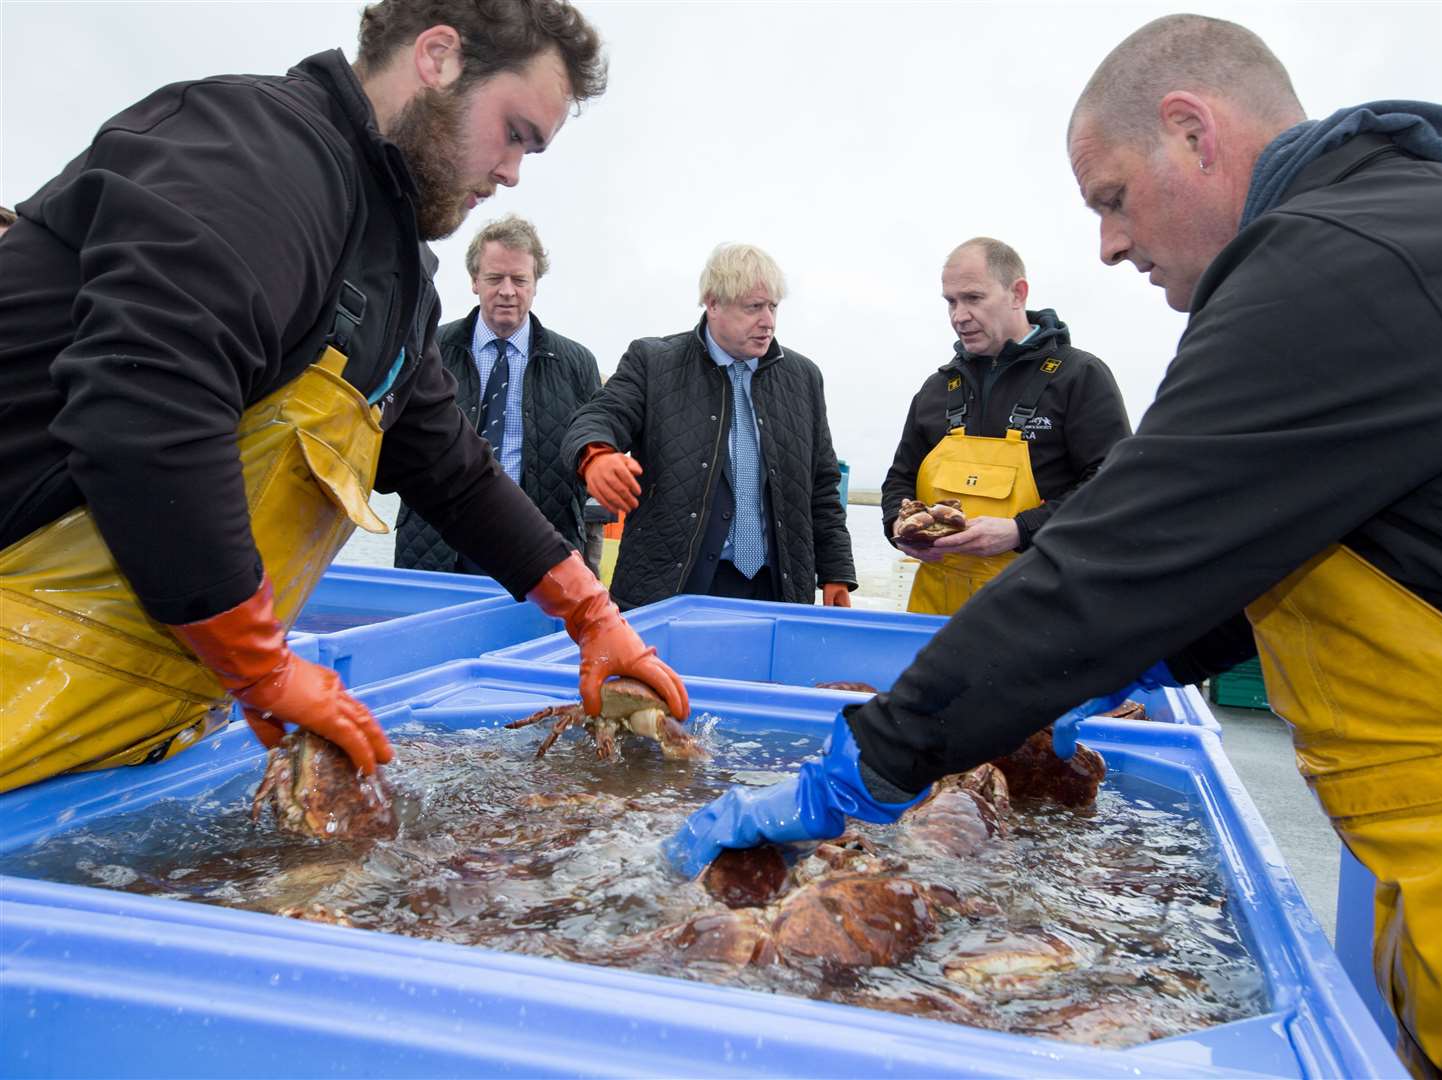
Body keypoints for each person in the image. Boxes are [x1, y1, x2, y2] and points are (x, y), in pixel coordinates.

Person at [667, 14, 1442, 1079]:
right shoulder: (1396, 238)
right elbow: (1277, 557)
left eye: (1112, 199)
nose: (1107, 245)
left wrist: (863, 764)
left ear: (1192, 130)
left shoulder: (1339, 266)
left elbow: (1114, 556)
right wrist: (1131, 660)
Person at [0, 0, 687, 794]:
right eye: (514, 132)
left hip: (100, 734)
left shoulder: (392, 269)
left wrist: (591, 615)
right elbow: (148, 400)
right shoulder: (257, 156)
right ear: (438, 57)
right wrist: (258, 663)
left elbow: (453, 471)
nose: (511, 172)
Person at [562, 243, 856, 609]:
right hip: (670, 589)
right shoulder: (653, 363)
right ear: (713, 304)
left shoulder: (804, 378)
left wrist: (835, 572)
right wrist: (596, 455)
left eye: (773, 306)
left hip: (777, 593)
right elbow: (597, 417)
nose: (768, 321)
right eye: (753, 307)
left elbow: (822, 486)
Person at [883, 237, 1130, 614]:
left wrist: (1020, 530)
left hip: (1038, 611)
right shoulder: (937, 388)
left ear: (1017, 293)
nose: (958, 315)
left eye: (973, 298)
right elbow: (900, 479)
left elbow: (1113, 489)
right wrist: (897, 529)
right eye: (951, 301)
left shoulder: (1079, 377)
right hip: (933, 615)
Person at [395, 214, 601, 571]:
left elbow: (588, 448)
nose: (507, 290)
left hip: (538, 547)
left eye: (520, 279)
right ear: (475, 281)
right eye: (494, 278)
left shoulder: (576, 363)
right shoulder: (430, 348)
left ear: (535, 284)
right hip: (438, 544)